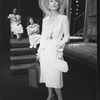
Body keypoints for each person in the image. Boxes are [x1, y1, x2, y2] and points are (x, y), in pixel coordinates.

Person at [37, 0, 70, 100]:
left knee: (55, 76)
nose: (54, 3)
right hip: (45, 51)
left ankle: (60, 98)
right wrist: (39, 52)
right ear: (48, 4)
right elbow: (43, 37)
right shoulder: (45, 20)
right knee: (47, 75)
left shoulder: (63, 18)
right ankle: (50, 95)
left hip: (56, 50)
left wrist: (60, 49)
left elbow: (67, 36)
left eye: (56, 1)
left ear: (59, 4)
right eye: (51, 1)